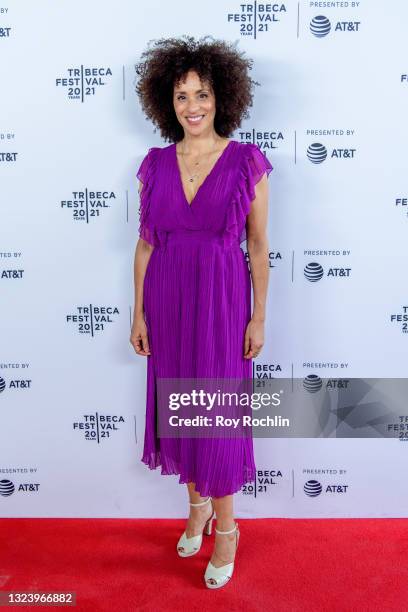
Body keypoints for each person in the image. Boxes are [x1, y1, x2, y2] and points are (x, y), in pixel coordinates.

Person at [130, 35, 273, 589]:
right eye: (182, 95)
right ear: (167, 101)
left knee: (212, 414)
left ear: (223, 98)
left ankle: (229, 527)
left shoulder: (245, 162)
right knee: (180, 409)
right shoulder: (154, 164)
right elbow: (145, 245)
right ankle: (197, 510)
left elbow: (258, 247)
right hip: (166, 299)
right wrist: (138, 314)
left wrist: (258, 318)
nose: (193, 106)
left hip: (220, 300)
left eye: (203, 93)